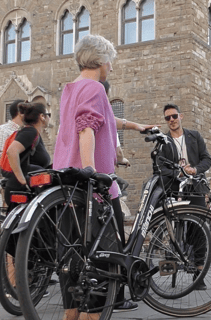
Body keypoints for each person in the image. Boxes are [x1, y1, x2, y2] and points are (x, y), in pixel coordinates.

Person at [53, 34, 155, 319]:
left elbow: (106, 118)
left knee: (72, 260)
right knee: (104, 262)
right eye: (110, 59)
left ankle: (70, 314)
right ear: (99, 59)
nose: (111, 65)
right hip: (91, 188)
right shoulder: (96, 88)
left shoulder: (71, 88)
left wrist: (137, 126)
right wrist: (92, 172)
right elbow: (87, 128)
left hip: (66, 186)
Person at [158, 103, 211, 290]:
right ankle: (169, 266)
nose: (171, 120)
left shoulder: (194, 136)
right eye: (168, 118)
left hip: (195, 187)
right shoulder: (163, 141)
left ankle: (199, 272)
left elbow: (207, 159)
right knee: (169, 228)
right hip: (174, 188)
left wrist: (195, 169)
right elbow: (160, 167)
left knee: (199, 228)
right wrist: (177, 174)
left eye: (174, 116)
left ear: (180, 116)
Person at [5, 102, 51, 206]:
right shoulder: (30, 131)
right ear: (42, 117)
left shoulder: (32, 132)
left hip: (25, 189)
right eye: (48, 115)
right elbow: (11, 151)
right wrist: (22, 179)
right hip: (22, 189)